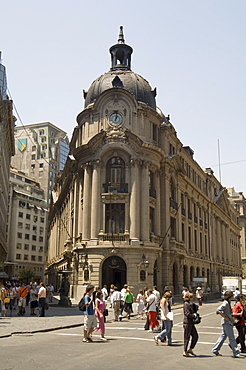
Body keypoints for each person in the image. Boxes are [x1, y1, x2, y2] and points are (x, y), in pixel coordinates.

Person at [212, 290, 244, 358]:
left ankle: (215, 349)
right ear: (230, 296)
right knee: (231, 338)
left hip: (227, 322)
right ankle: (236, 352)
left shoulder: (228, 303)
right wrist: (225, 317)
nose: (233, 296)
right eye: (232, 295)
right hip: (227, 322)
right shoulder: (226, 303)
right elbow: (218, 310)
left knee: (223, 336)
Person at [183, 292, 198, 357]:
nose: (192, 298)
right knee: (187, 337)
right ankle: (185, 351)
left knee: (195, 336)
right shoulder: (186, 304)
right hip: (187, 322)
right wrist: (193, 315)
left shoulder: (190, 304)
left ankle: (191, 349)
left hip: (191, 322)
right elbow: (187, 314)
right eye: (191, 297)